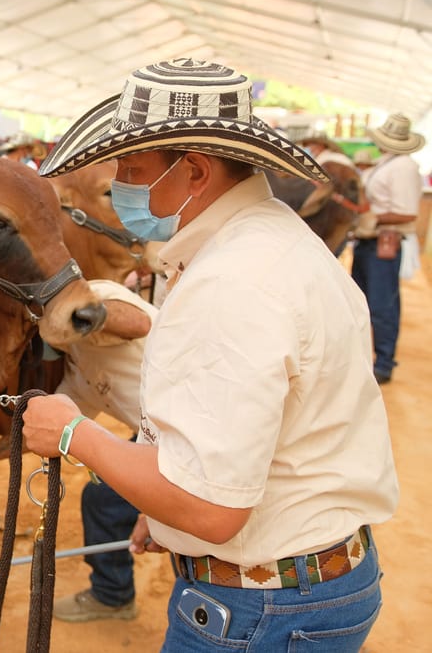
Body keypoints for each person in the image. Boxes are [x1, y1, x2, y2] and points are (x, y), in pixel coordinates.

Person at [23, 58, 398, 651]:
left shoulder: (230, 283)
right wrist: (165, 508)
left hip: (262, 610)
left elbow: (210, 510)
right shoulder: (275, 240)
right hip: (313, 580)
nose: (123, 183)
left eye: (132, 169)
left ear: (194, 170)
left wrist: (73, 433)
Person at [52, 280, 157, 622]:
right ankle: (113, 595)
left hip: (203, 427)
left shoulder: (93, 292)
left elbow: (139, 322)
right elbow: (54, 425)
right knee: (102, 498)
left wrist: (71, 310)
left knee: (183, 527)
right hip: (154, 440)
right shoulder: (76, 372)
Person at [350, 113, 425, 384]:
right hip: (369, 241)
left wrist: (370, 218)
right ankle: (368, 359)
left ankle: (383, 363)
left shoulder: (403, 166)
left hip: (383, 240)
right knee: (362, 302)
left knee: (382, 306)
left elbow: (407, 213)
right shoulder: (387, 163)